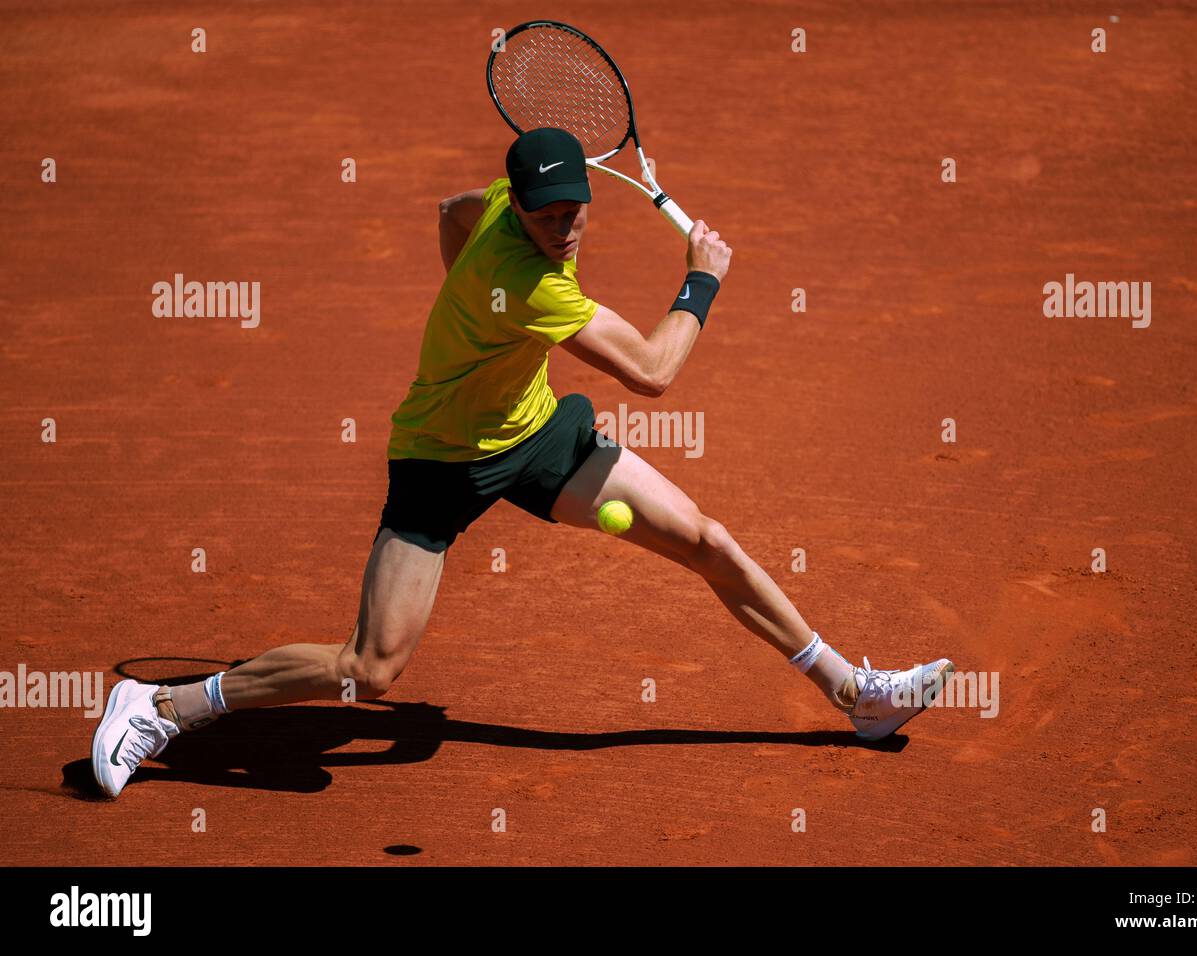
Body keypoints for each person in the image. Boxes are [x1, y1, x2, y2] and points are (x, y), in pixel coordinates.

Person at [91, 128, 954, 798]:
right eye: (548, 219)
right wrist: (701, 279)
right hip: (440, 461)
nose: (565, 228)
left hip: (534, 434)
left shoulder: (504, 201)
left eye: (574, 211)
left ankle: (857, 696)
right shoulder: (538, 286)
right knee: (372, 671)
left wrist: (482, 336)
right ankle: (166, 709)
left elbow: (447, 209)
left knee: (705, 538)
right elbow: (654, 372)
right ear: (526, 210)